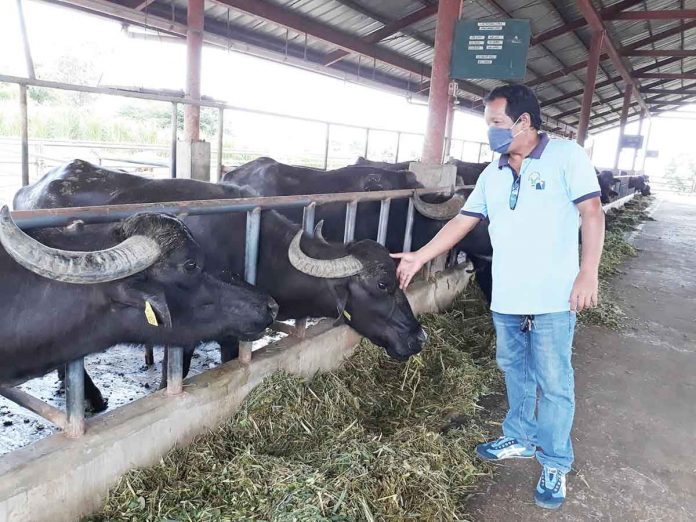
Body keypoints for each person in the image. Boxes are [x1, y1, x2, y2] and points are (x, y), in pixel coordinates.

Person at [391, 85, 605, 510]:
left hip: (553, 297)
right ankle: (521, 437)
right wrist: (420, 256)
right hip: (507, 296)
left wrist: (588, 271)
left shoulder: (566, 157)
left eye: (495, 123)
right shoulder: (493, 173)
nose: (490, 132)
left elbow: (592, 212)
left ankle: (555, 461)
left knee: (554, 381)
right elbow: (464, 221)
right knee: (514, 371)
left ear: (523, 122)